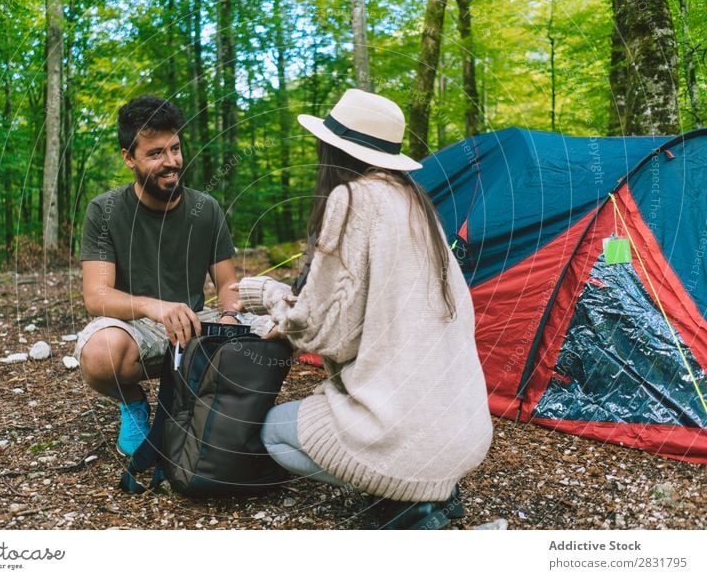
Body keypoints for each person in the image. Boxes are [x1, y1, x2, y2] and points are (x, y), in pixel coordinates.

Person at [233, 89, 493, 530]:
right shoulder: (414, 200)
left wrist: (268, 299)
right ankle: (435, 496)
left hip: (406, 436)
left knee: (273, 433)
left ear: (332, 148)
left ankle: (411, 507)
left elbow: (324, 330)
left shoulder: (352, 198)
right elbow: (357, 311)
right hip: (463, 432)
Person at [75, 94, 241, 457]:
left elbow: (227, 283)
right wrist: (154, 307)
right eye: (155, 154)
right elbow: (96, 295)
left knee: (271, 335)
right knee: (99, 355)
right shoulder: (104, 210)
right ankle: (134, 406)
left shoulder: (205, 208)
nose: (172, 162)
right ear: (128, 158)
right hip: (136, 326)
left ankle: (213, 413)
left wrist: (229, 316)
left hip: (196, 325)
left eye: (176, 149)